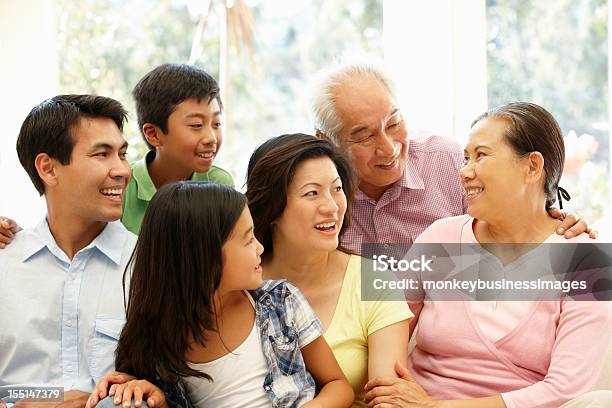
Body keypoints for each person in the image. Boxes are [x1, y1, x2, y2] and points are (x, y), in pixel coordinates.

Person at [363, 102, 612, 408]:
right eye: (465, 158)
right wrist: (391, 396)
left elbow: (565, 389)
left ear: (533, 167)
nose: (464, 172)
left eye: (481, 155)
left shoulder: (585, 262)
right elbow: (388, 324)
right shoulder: (441, 236)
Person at [86, 182, 354, 408]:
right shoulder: (158, 342)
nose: (260, 247)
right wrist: (153, 396)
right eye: (248, 239)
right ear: (204, 257)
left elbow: (338, 385)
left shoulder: (280, 301)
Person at [309, 63, 594, 254]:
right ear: (327, 141)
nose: (389, 148)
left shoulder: (446, 162)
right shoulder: (317, 196)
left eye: (394, 124)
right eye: (364, 136)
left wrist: (555, 225)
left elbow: (515, 220)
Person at [245, 134, 413, 407]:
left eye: (337, 189)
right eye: (312, 193)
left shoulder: (374, 280)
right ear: (272, 207)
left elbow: (389, 399)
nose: (332, 206)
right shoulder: (239, 280)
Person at [0, 95, 137, 406]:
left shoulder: (149, 265)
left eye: (123, 154)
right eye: (102, 154)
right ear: (48, 169)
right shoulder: (5, 264)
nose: (122, 170)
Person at [0, 63, 233, 240]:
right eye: (195, 125)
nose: (211, 138)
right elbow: (78, 240)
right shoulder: (119, 193)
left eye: (217, 124)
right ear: (153, 134)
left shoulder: (220, 184)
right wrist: (23, 242)